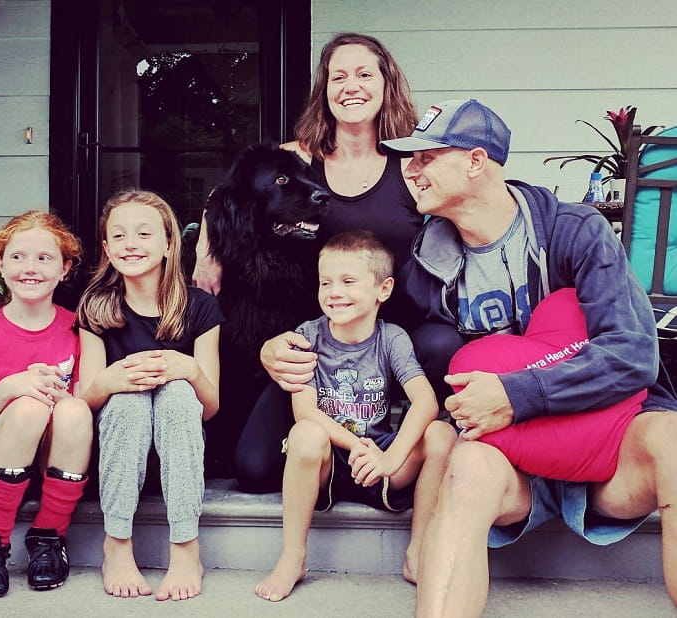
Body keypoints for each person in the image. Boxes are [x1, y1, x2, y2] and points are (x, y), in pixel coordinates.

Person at [377, 98, 677, 616]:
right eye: (411, 158)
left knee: (673, 439)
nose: (411, 169)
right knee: (467, 466)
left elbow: (632, 356)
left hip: (609, 446)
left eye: (427, 155)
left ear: (476, 161)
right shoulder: (426, 266)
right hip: (510, 464)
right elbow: (387, 346)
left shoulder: (575, 231)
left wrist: (517, 394)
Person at [210, 33, 436, 492]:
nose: (351, 86)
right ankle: (336, 465)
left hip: (397, 332)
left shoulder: (414, 164)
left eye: (364, 73)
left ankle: (425, 454)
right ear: (325, 89)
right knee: (253, 469)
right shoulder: (302, 159)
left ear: (386, 82)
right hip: (324, 332)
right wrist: (205, 252)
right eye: (339, 76)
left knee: (441, 345)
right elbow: (232, 194)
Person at [254, 230, 455, 602]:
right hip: (330, 462)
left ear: (384, 289)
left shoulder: (392, 338)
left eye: (348, 281)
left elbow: (425, 402)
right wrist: (358, 445)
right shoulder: (307, 335)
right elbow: (306, 411)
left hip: (380, 465)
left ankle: (418, 550)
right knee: (304, 435)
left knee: (442, 434)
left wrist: (387, 457)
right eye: (326, 282)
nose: (334, 292)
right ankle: (293, 556)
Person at [76, 190, 222, 601]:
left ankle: (185, 547)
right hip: (120, 452)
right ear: (106, 248)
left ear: (168, 243)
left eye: (144, 233)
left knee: (177, 394)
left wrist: (189, 370)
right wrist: (111, 379)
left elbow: (210, 408)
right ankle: (117, 544)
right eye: (118, 236)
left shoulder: (200, 307)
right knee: (126, 399)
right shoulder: (96, 307)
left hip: (182, 453)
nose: (131, 244)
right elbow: (85, 399)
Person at [0, 210, 92, 598]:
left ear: (65, 268)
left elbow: (82, 411)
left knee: (73, 408)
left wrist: (57, 394)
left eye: (44, 258)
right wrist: (9, 388)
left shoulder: (78, 329)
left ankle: (49, 535)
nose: (29, 268)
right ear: (0, 264)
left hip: (54, 460)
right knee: (28, 405)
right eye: (17, 257)